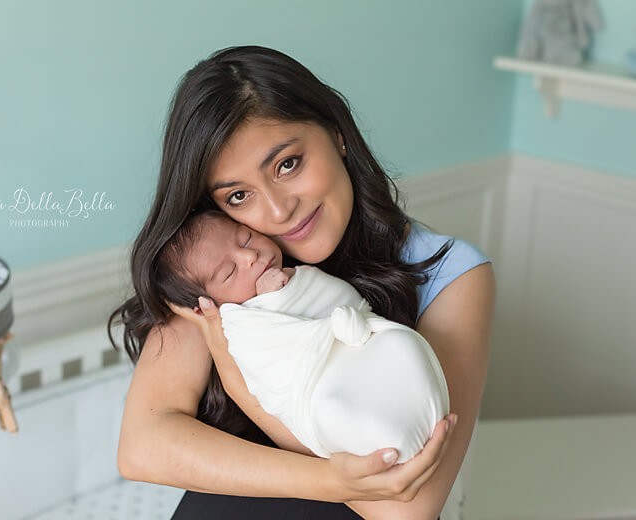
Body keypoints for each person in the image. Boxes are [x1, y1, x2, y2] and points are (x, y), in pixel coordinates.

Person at [109, 45, 495, 520]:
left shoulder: (451, 273)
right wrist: (329, 478)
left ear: (337, 134)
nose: (276, 211)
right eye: (238, 195)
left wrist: (244, 390)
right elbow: (143, 446)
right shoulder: (221, 267)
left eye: (287, 164)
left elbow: (406, 509)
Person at [156, 210, 450, 464]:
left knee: (401, 345)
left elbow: (342, 299)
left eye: (245, 238)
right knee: (334, 409)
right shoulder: (240, 324)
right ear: (207, 305)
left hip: (357, 342)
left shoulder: (295, 267)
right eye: (229, 272)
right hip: (315, 383)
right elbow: (269, 372)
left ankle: (416, 412)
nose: (250, 256)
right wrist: (278, 298)